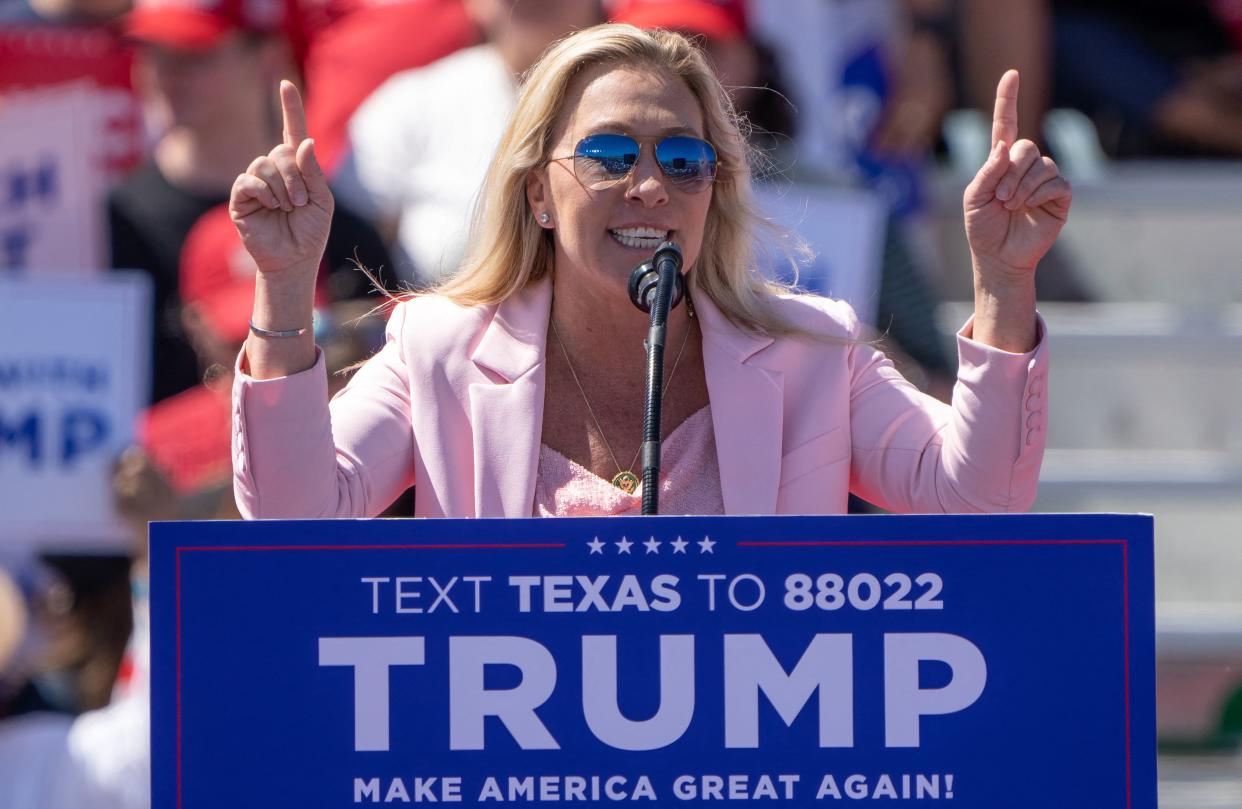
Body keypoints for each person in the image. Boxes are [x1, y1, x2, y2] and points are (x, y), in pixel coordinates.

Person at [229, 24, 1067, 519]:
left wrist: (1002, 279)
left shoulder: (813, 351)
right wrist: (284, 283)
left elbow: (976, 499)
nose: (649, 186)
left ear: (714, 191)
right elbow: (294, 514)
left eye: (682, 158)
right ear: (539, 193)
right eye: (605, 154)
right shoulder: (436, 348)